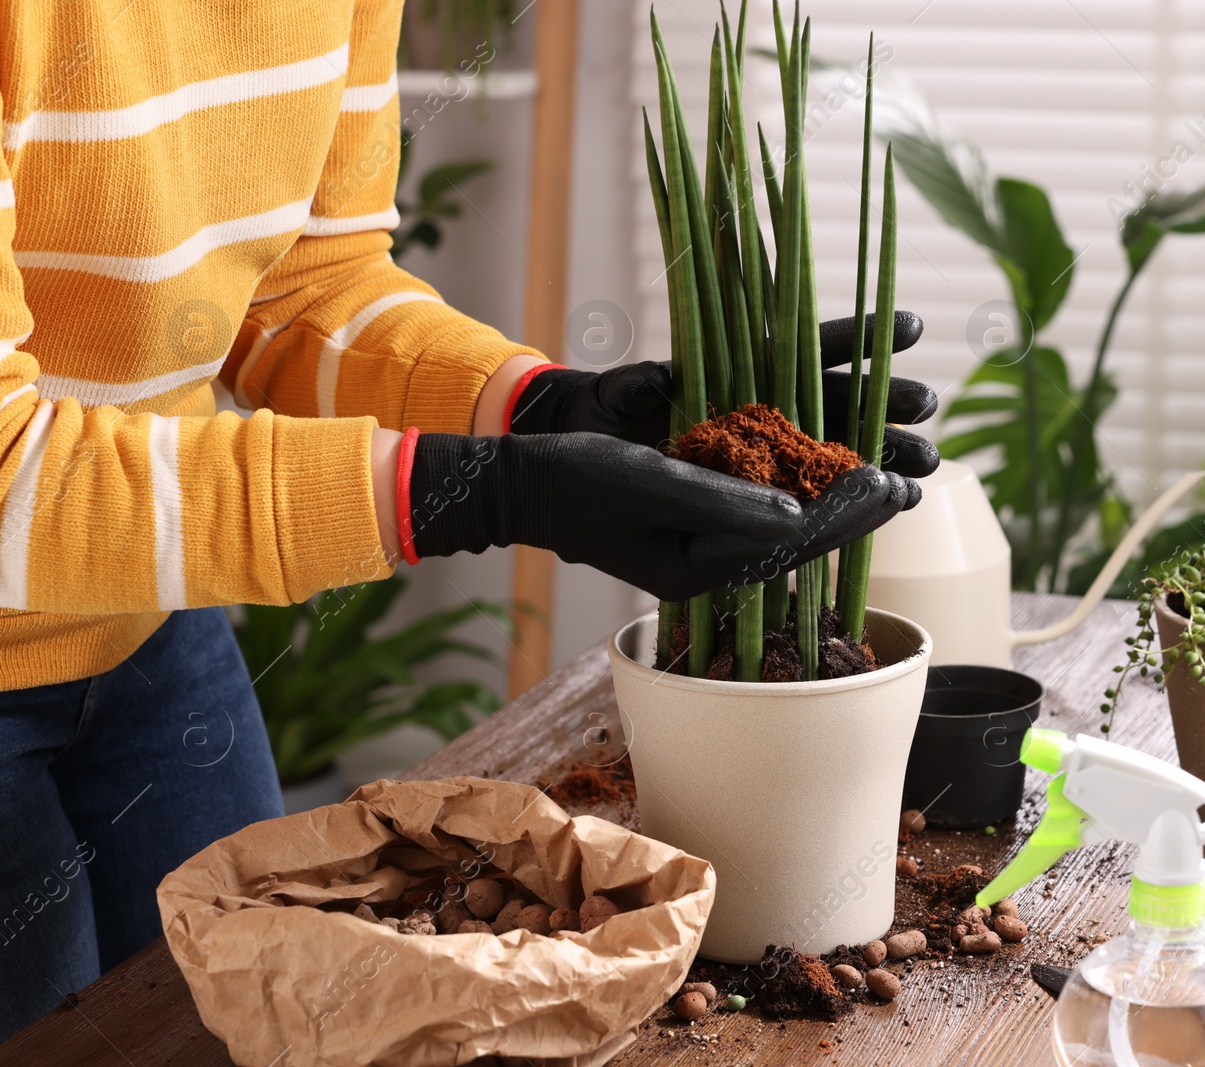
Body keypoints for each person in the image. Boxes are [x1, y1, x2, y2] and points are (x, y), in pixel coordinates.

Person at [0, 1, 937, 1040]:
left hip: (146, 617)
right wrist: (483, 490)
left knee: (235, 1023)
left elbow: (305, 287)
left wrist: (538, 408)